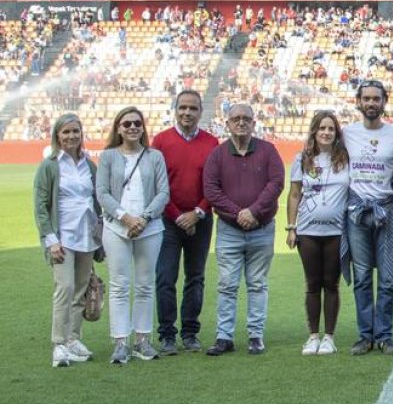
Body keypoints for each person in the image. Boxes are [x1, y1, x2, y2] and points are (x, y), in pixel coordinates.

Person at [202, 104, 285, 356]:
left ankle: (255, 336)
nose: (241, 123)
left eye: (246, 119)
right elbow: (211, 190)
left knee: (257, 284)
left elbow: (276, 183)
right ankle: (224, 336)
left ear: (254, 123)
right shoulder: (217, 154)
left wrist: (254, 211)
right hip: (229, 229)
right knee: (227, 284)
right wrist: (238, 213)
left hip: (262, 228)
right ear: (227, 123)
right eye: (236, 119)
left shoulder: (268, 151)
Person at [96, 107, 170, 365]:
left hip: (149, 227)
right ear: (118, 128)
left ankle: (142, 340)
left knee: (145, 285)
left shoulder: (155, 156)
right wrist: (126, 218)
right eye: (126, 124)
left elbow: (163, 193)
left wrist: (144, 218)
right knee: (119, 285)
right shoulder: (107, 157)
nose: (132, 127)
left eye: (137, 123)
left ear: (143, 127)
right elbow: (102, 193)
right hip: (116, 227)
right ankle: (120, 342)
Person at [342, 80, 393, 356]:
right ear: (358, 101)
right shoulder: (345, 133)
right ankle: (364, 335)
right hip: (356, 212)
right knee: (362, 277)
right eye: (366, 98)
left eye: (376, 99)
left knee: (388, 276)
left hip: (388, 210)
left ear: (384, 102)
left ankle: (385, 335)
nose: (371, 103)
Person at [151, 89, 219, 355]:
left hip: (200, 220)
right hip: (168, 220)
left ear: (201, 112)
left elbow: (214, 185)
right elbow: (157, 185)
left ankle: (190, 333)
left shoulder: (211, 143)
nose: (187, 113)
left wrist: (198, 212)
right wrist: (178, 215)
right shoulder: (161, 141)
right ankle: (167, 334)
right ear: (175, 110)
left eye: (193, 108)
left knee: (195, 277)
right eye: (183, 108)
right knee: (165, 277)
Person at [34, 113, 102, 367]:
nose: (71, 136)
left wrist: (100, 236)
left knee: (81, 290)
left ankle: (73, 339)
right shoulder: (50, 165)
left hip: (86, 234)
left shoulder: (89, 164)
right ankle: (59, 344)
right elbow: (41, 205)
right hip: (61, 237)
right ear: (57, 136)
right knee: (64, 288)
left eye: (75, 131)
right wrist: (50, 240)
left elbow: (96, 201)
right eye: (66, 132)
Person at [286, 111, 351, 356]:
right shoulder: (302, 159)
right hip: (307, 231)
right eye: (322, 128)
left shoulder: (345, 158)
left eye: (331, 129)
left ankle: (329, 337)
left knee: (331, 284)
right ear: (314, 131)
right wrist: (291, 228)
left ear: (336, 133)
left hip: (336, 231)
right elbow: (294, 194)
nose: (326, 132)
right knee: (312, 284)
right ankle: (313, 336)